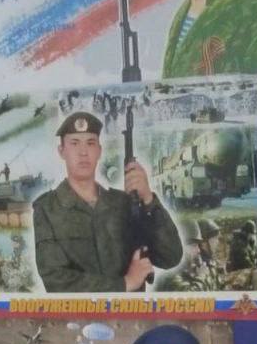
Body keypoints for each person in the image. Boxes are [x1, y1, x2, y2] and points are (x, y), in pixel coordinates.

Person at [31, 112, 182, 293]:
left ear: (99, 151)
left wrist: (148, 199)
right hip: (82, 312)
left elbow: (170, 257)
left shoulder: (124, 203)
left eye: (90, 143)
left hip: (132, 310)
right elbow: (56, 280)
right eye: (74, 143)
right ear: (61, 151)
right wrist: (125, 283)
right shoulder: (47, 209)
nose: (83, 152)